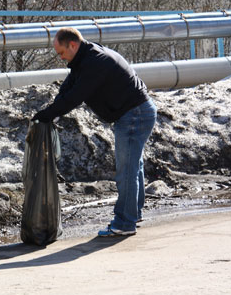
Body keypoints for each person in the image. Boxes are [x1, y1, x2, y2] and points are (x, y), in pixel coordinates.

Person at [32, 27, 157, 237]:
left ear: (72, 45)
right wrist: (51, 112)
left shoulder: (94, 61)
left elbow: (76, 96)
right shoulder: (84, 58)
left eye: (61, 52)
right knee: (133, 166)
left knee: (126, 170)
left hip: (134, 114)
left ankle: (125, 223)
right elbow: (68, 88)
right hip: (137, 112)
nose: (61, 58)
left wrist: (47, 115)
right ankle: (133, 213)